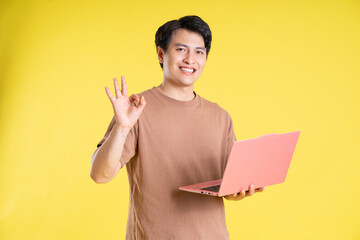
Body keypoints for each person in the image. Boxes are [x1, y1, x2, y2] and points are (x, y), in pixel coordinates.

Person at [90, 15, 265, 240]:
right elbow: (99, 174)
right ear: (161, 54)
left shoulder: (220, 116)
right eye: (181, 49)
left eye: (199, 52)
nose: (190, 59)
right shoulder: (136, 109)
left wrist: (239, 191)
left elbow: (225, 185)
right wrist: (122, 128)